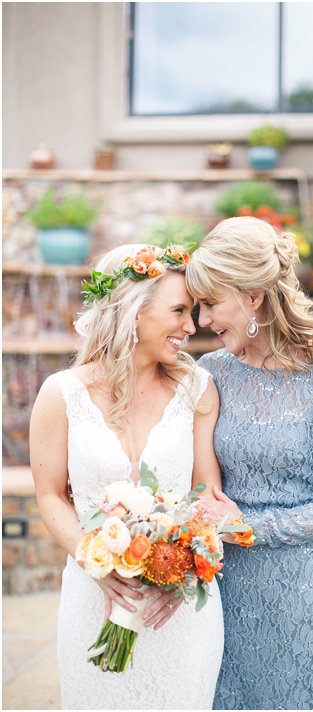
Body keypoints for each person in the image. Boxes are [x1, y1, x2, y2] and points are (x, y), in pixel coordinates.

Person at [185, 216, 313, 710]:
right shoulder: (210, 374)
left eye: (211, 303)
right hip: (218, 586)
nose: (203, 321)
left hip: (295, 592)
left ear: (253, 297)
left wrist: (250, 526)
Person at [30, 244, 225, 709]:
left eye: (194, 312)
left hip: (178, 610)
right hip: (92, 597)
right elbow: (51, 496)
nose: (191, 326)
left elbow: (206, 494)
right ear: (134, 312)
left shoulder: (197, 389)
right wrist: (91, 559)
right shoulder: (62, 394)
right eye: (179, 310)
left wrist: (184, 573)